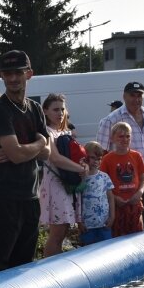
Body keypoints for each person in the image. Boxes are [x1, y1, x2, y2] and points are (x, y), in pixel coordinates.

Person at [0, 51, 50, 278]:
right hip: (4, 199)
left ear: (29, 74)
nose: (13, 78)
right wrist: (38, 142)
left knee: (22, 268)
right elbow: (18, 154)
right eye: (8, 74)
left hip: (30, 198)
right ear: (1, 76)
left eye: (18, 73)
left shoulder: (35, 109)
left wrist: (26, 148)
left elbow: (46, 153)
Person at [97, 82, 144, 229]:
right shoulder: (110, 120)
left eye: (139, 95)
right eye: (132, 95)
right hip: (123, 189)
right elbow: (100, 156)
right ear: (124, 96)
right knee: (125, 229)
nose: (136, 99)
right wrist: (112, 195)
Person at [38, 93, 88, 257]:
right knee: (57, 232)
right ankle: (49, 270)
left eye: (62, 109)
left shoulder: (66, 131)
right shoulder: (47, 132)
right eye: (55, 109)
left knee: (65, 228)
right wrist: (80, 169)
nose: (60, 113)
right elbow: (55, 158)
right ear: (45, 111)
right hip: (56, 185)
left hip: (68, 185)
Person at [99, 122, 144, 236]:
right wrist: (114, 198)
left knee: (137, 236)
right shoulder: (107, 159)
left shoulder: (137, 156)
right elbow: (102, 185)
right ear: (112, 138)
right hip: (116, 206)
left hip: (134, 204)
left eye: (127, 136)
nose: (124, 139)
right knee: (118, 238)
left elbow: (143, 179)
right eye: (120, 136)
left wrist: (139, 193)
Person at [79, 141, 115, 245]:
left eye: (99, 159)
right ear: (85, 157)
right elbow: (78, 200)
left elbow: (110, 198)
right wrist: (79, 222)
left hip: (104, 224)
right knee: (88, 252)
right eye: (92, 158)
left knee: (106, 250)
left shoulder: (104, 177)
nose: (96, 161)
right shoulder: (81, 177)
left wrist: (112, 216)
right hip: (87, 226)